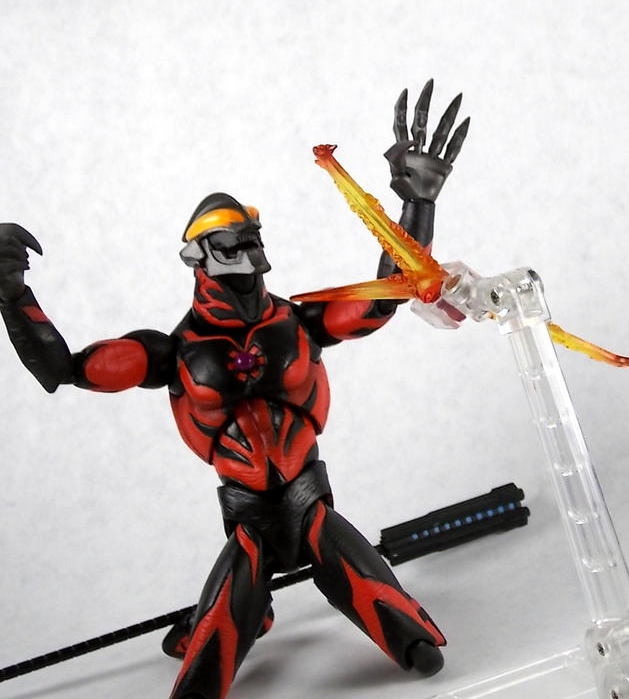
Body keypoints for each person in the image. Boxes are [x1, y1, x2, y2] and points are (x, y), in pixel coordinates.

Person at [0, 81, 468, 699]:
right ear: (198, 257)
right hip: (247, 514)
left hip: (309, 497)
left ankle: (251, 612)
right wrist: (12, 291)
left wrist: (417, 205)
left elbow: (387, 296)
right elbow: (63, 368)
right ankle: (227, 618)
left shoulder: (298, 323)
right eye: (233, 246)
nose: (250, 256)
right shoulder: (173, 353)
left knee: (416, 647)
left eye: (253, 241)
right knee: (207, 667)